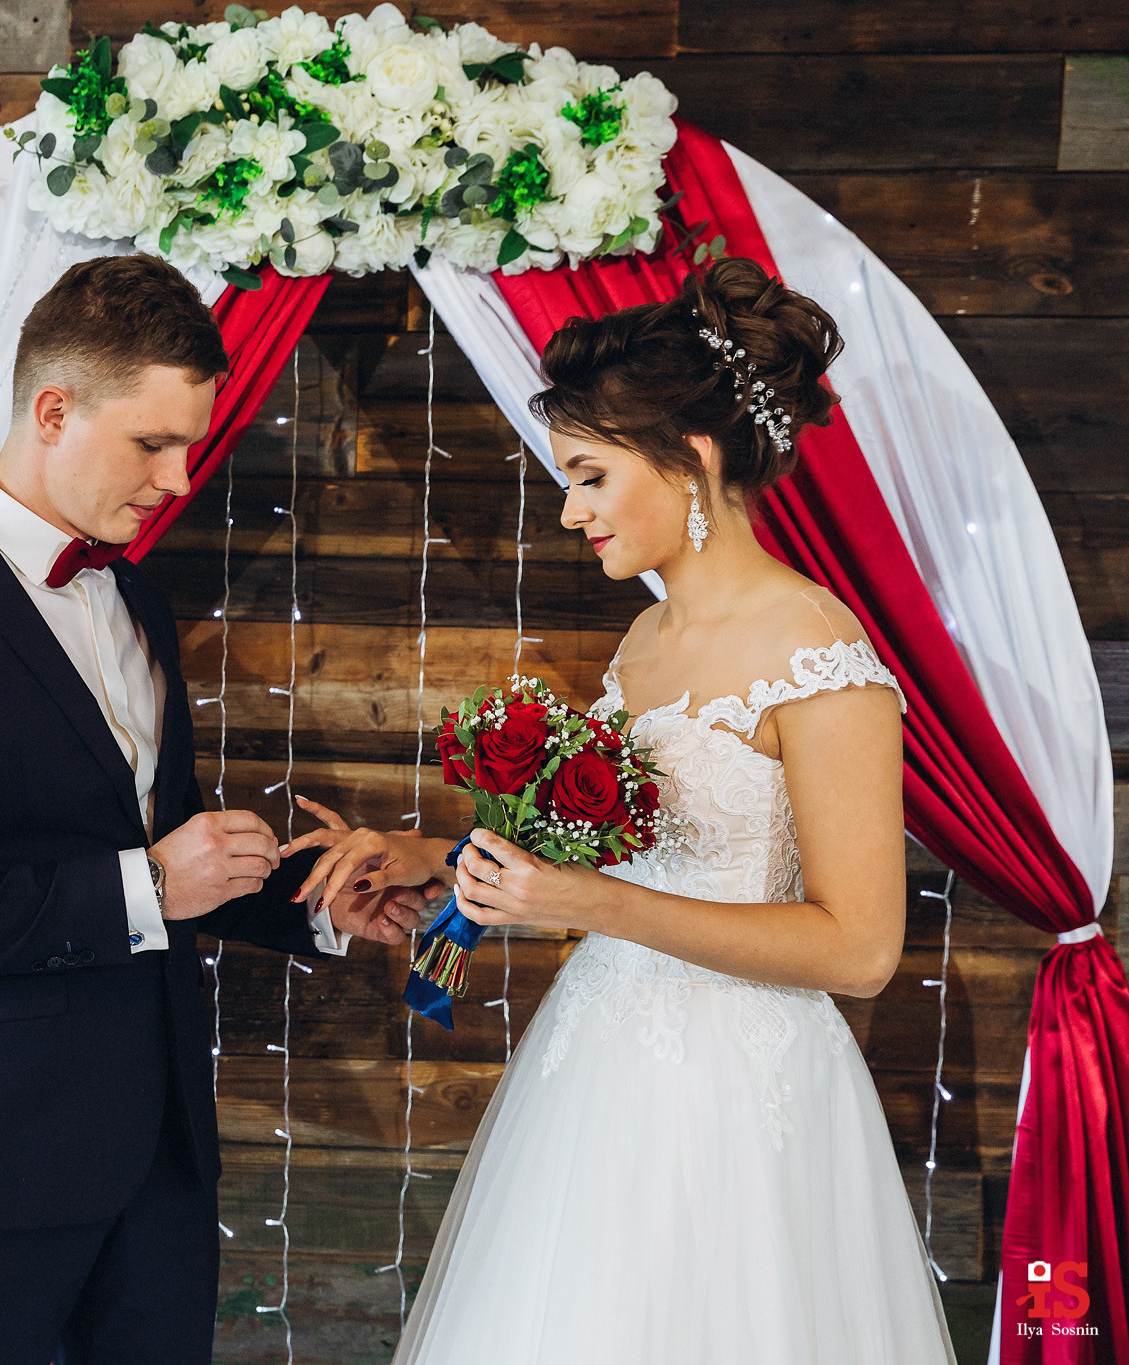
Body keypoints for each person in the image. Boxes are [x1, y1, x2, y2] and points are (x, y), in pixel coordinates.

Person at [289, 257, 959, 1363]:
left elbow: (860, 950)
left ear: (692, 456)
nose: (571, 511)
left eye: (591, 476)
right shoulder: (646, 639)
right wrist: (434, 854)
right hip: (598, 1066)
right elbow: (631, 856)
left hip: (734, 1097)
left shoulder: (818, 652)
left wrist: (589, 903)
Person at [0, 253, 434, 1364]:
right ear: (52, 411)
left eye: (188, 444)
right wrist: (154, 881)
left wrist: (320, 906)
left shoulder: (133, 592)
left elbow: (160, 847)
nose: (177, 478)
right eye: (152, 443)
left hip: (160, 1160)